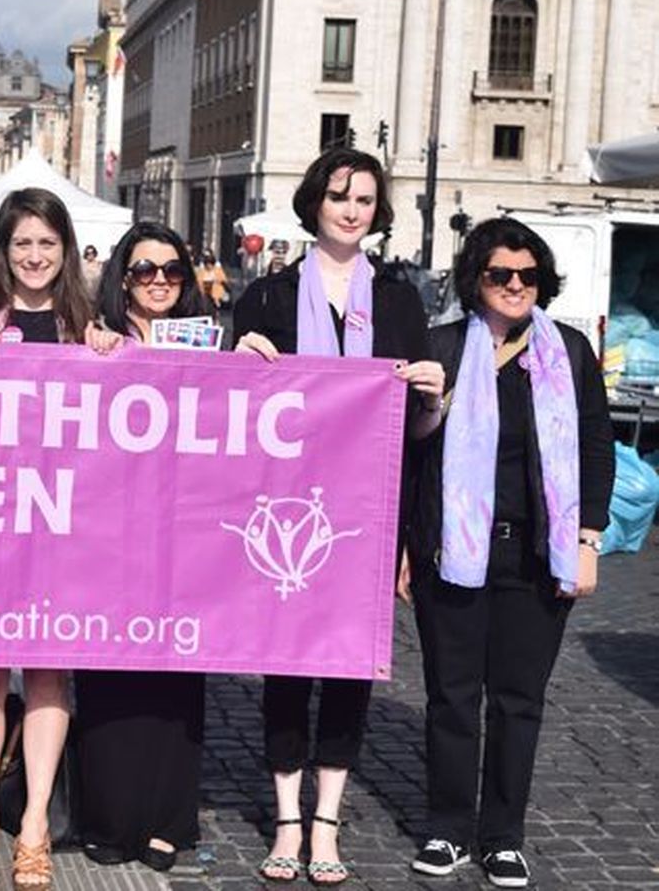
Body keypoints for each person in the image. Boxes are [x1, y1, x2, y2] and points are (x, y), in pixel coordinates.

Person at [233, 147, 446, 885]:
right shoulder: (266, 295)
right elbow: (236, 414)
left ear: (377, 209)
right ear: (314, 202)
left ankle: (328, 818)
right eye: (338, 195)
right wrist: (241, 362)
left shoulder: (398, 300)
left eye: (363, 198)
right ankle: (286, 814)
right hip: (282, 506)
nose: (351, 208)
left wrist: (431, 396)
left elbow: (416, 430)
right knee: (286, 659)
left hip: (366, 510)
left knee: (349, 662)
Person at [403, 217, 613, 889]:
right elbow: (409, 451)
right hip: (452, 553)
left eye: (527, 275)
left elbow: (595, 448)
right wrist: (409, 544)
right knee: (452, 697)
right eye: (501, 274)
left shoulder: (569, 352)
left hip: (535, 552)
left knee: (520, 699)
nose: (516, 285)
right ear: (476, 279)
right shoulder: (438, 346)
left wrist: (587, 540)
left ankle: (503, 836)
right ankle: (445, 827)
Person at [0, 187, 97, 891]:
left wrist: (114, 352)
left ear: (64, 251)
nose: (34, 256)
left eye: (47, 243)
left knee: (46, 673)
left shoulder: (87, 323)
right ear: (4, 252)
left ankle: (33, 822)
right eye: (22, 243)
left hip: (64, 525)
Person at [73, 223, 212, 871]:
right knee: (108, 678)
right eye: (143, 269)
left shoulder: (213, 344)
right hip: (103, 532)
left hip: (186, 531)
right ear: (122, 278)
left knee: (177, 679)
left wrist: (257, 359)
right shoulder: (93, 341)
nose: (158, 280)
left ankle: (167, 819)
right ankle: (105, 815)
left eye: (171, 270)